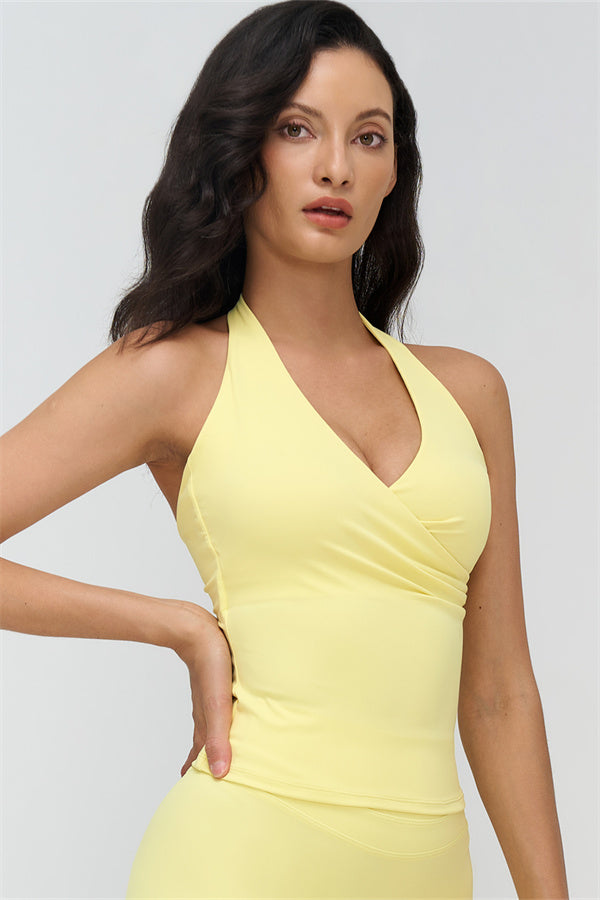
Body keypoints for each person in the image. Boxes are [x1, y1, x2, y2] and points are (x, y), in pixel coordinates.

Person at [0, 1, 570, 897]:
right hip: (240, 855)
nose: (336, 166)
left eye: (368, 137)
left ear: (394, 172)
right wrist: (176, 625)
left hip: (429, 873)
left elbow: (499, 689)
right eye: (297, 129)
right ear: (242, 152)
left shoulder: (468, 393)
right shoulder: (175, 371)